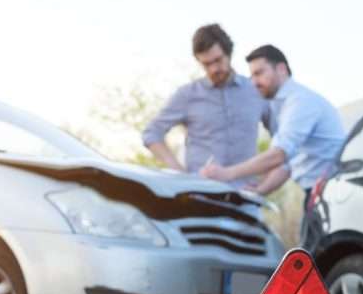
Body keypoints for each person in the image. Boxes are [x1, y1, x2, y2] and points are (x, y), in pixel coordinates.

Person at [200, 44, 345, 206]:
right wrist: (260, 189)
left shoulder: (300, 102)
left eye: (259, 73)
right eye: (252, 76)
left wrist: (227, 173)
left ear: (281, 69)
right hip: (319, 193)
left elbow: (278, 155)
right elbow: (288, 164)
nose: (254, 82)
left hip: (332, 193)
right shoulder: (285, 106)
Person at [142, 24, 268, 186]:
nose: (214, 69)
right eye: (206, 64)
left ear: (229, 54)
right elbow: (152, 133)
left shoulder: (256, 91)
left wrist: (264, 185)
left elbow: (283, 142)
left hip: (245, 197)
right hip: (200, 195)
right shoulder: (187, 95)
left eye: (218, 60)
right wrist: (180, 175)